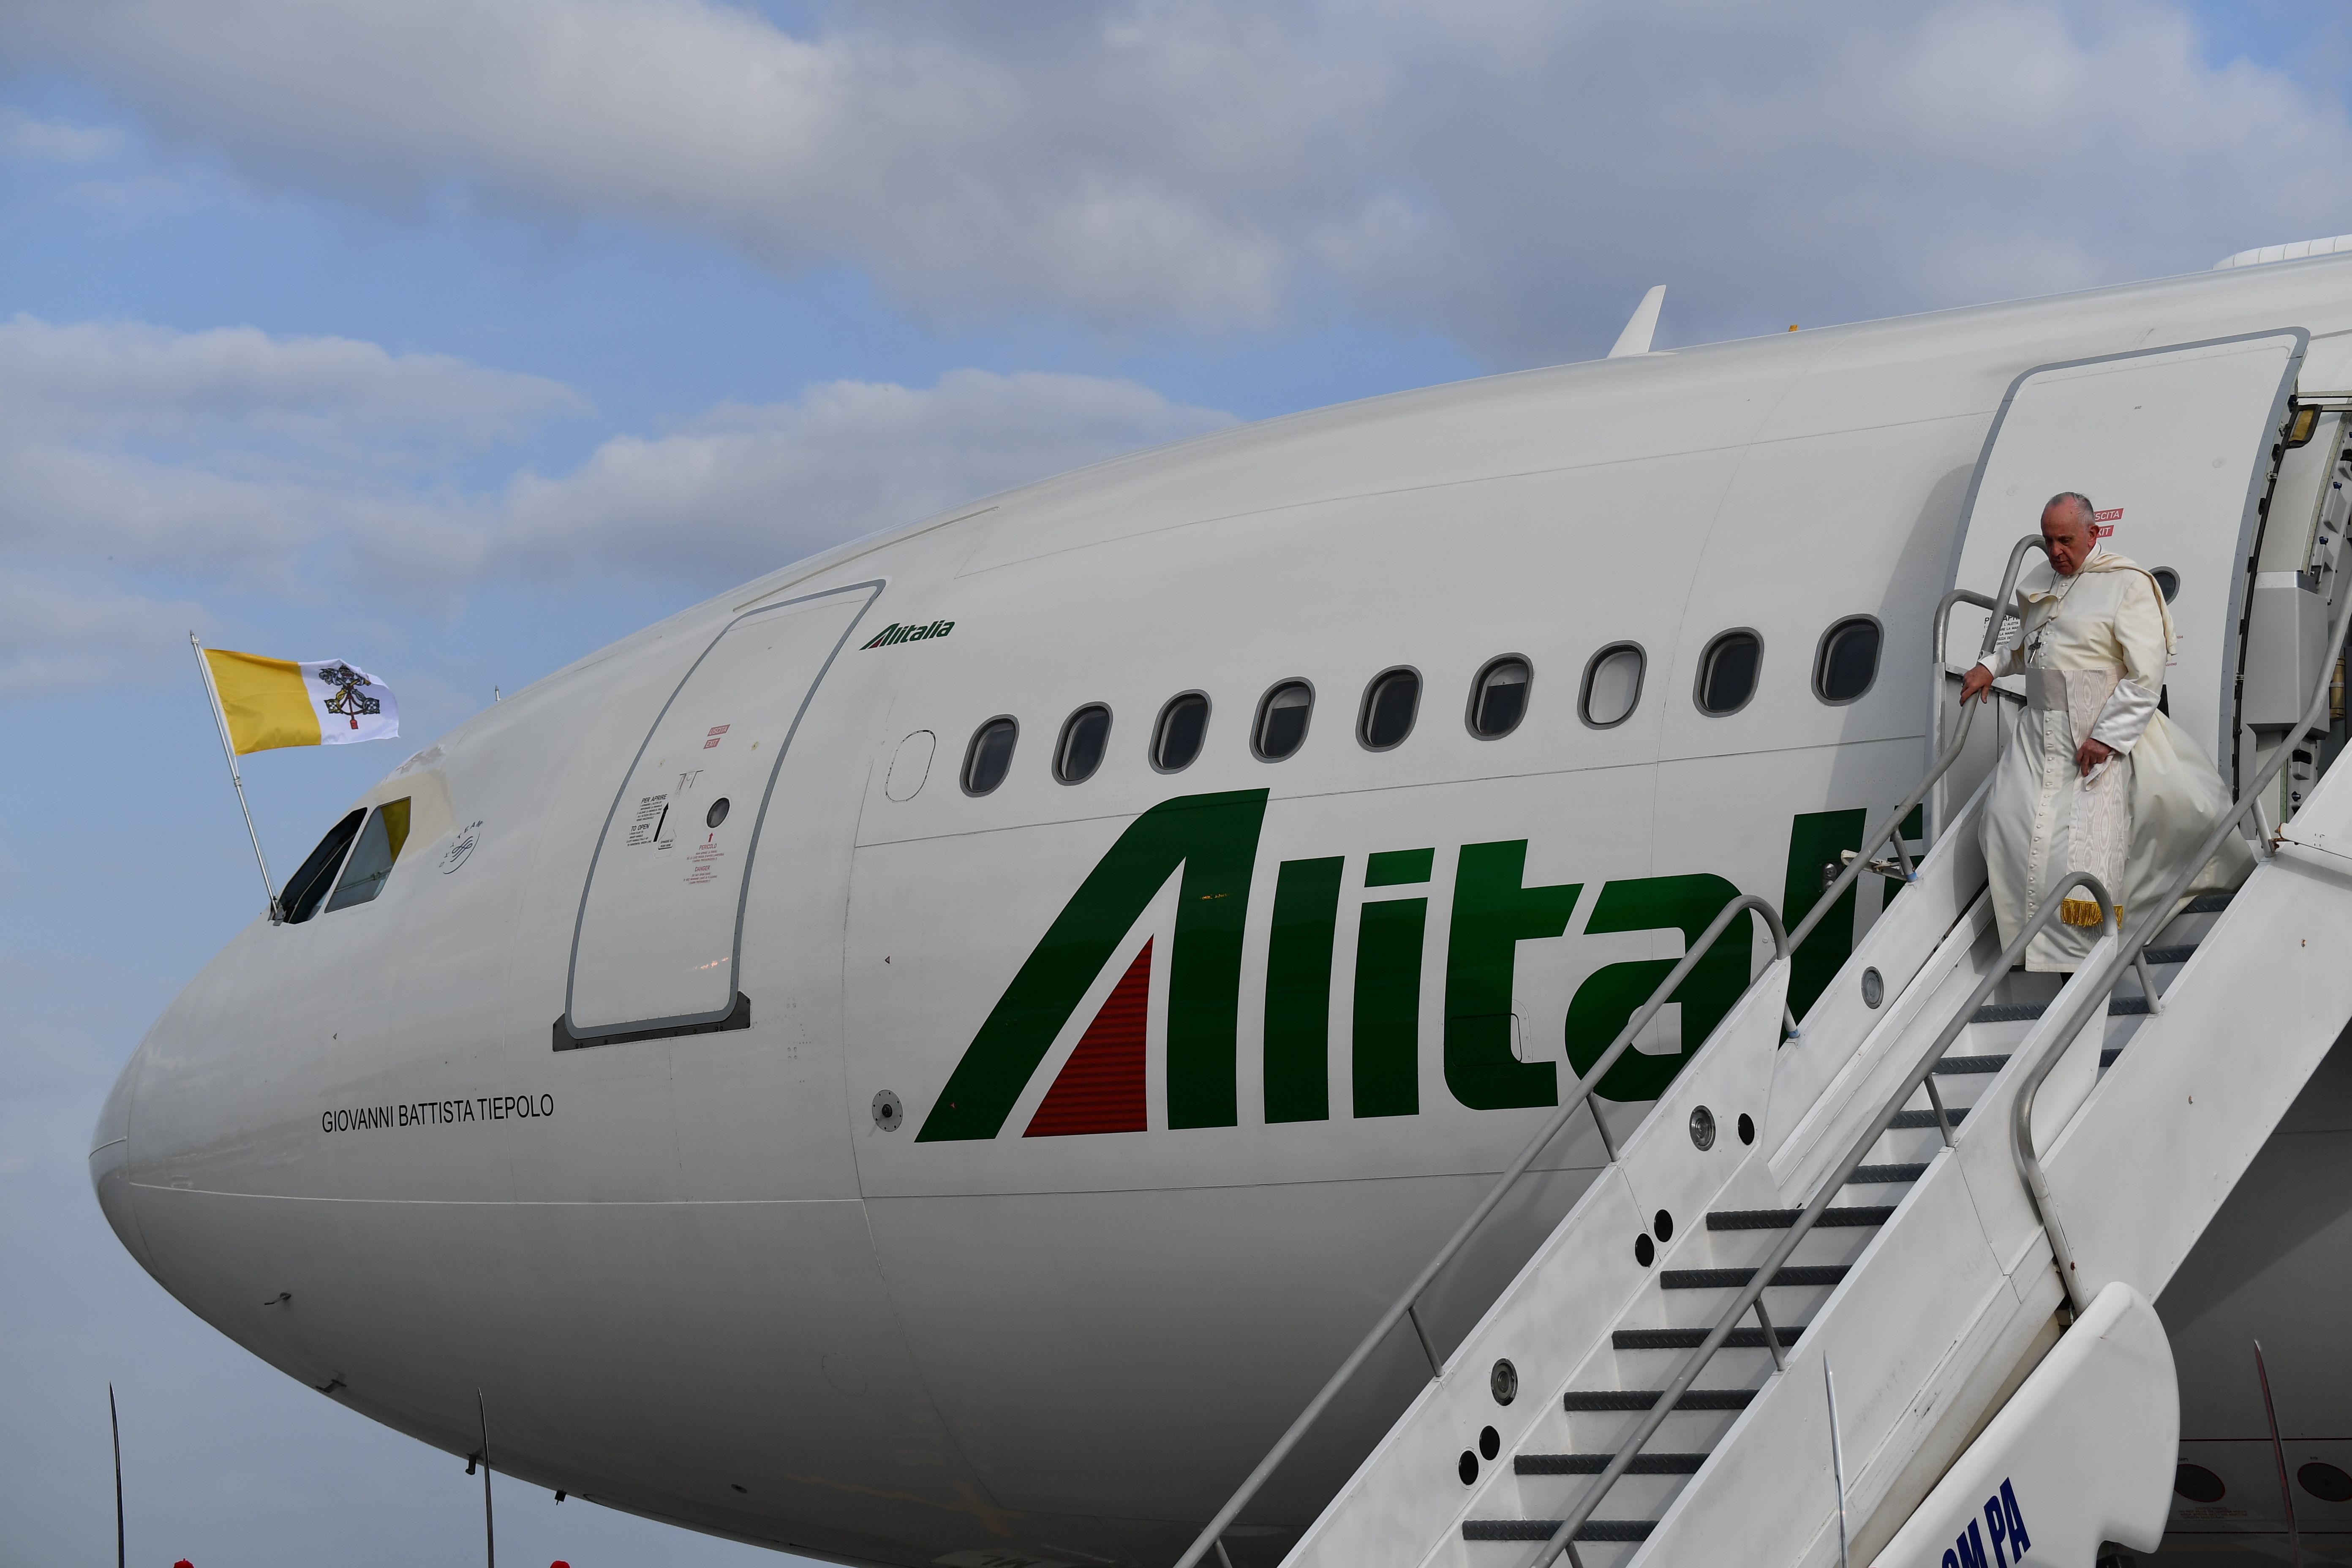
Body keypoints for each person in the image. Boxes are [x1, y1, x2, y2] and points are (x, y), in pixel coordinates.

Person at [1958, 492, 2252, 971]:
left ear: (2094, 534)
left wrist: (2107, 736)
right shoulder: (2040, 580)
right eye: (2050, 540)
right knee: (2003, 826)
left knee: (2085, 853)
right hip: (2040, 736)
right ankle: (2032, 947)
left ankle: (2083, 961)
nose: (2055, 551)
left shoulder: (2127, 584)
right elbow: (2028, 648)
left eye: (2066, 540)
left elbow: (2145, 674)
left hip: (2097, 734)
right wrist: (1990, 666)